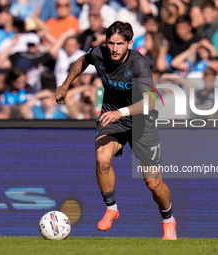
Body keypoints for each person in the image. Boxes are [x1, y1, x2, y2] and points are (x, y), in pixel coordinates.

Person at [55, 21, 176, 240]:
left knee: (154, 184)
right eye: (110, 43)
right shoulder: (100, 54)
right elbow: (83, 60)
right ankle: (112, 208)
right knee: (102, 159)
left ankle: (168, 220)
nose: (114, 49)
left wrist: (120, 112)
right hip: (113, 116)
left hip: (141, 122)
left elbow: (149, 102)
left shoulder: (139, 64)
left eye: (119, 44)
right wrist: (65, 85)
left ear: (130, 43)